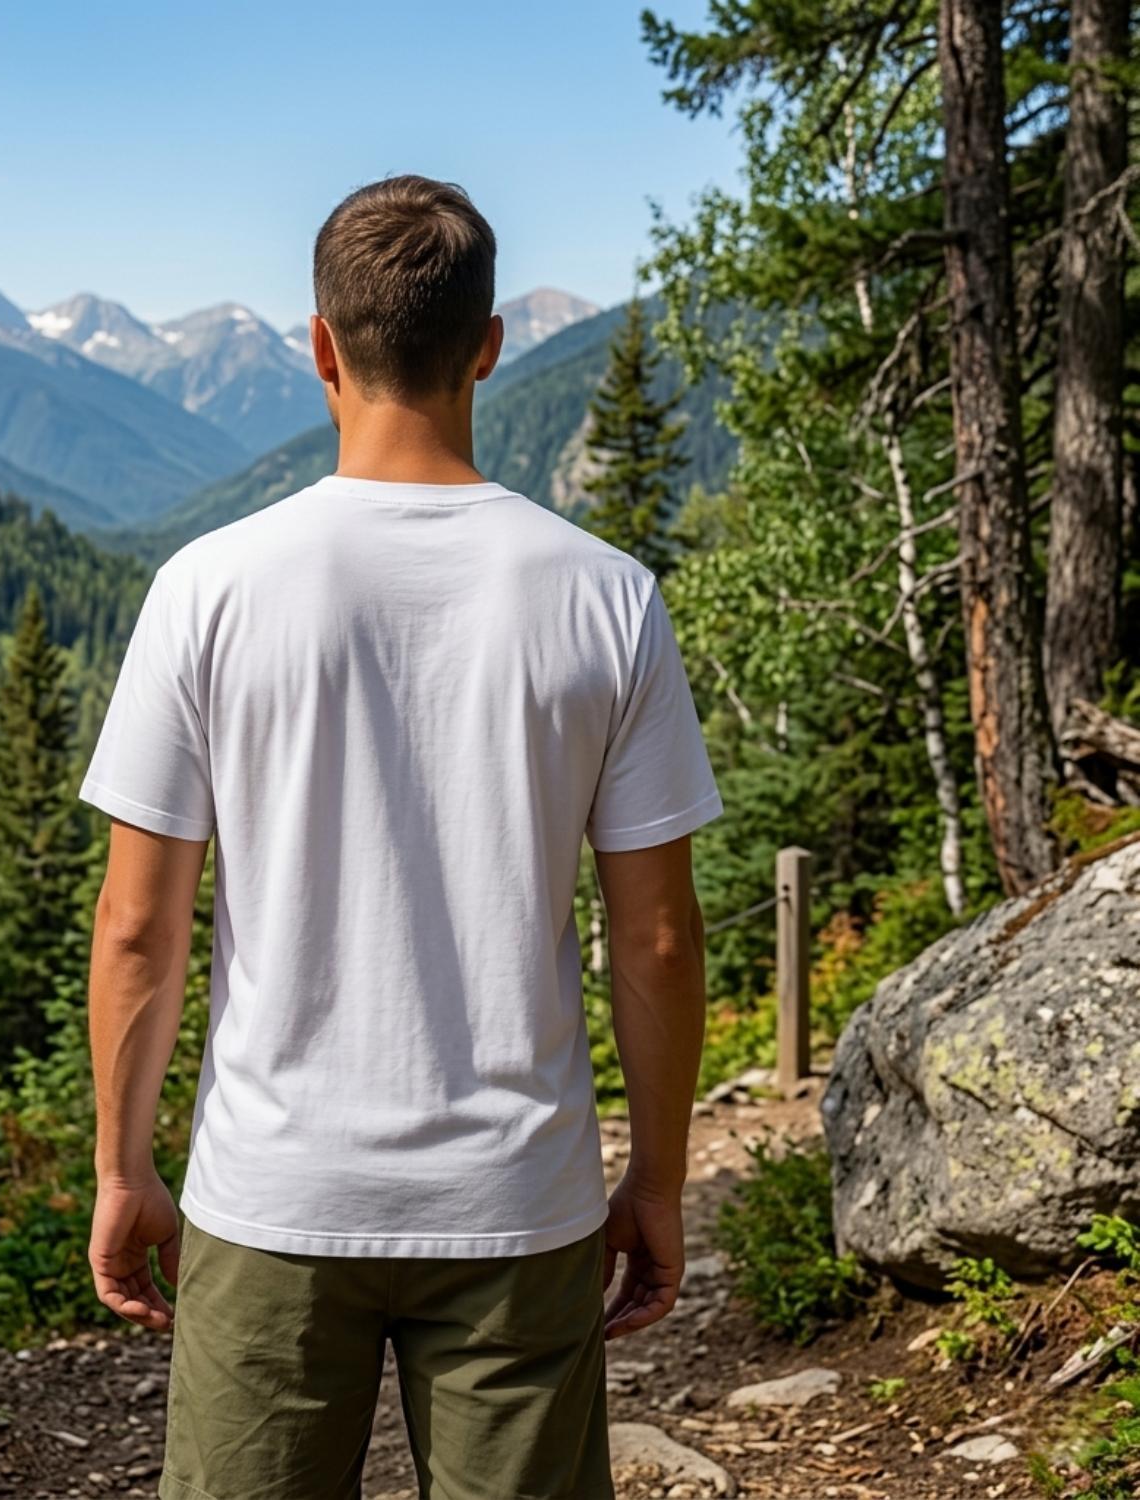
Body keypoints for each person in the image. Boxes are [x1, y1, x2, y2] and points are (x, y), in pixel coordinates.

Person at [81, 173, 722, 1500]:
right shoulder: (611, 599)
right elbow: (654, 938)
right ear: (488, 348)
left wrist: (122, 1165)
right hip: (518, 1199)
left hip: (272, 1195)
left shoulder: (205, 589)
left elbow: (141, 927)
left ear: (320, 345)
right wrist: (656, 1183)